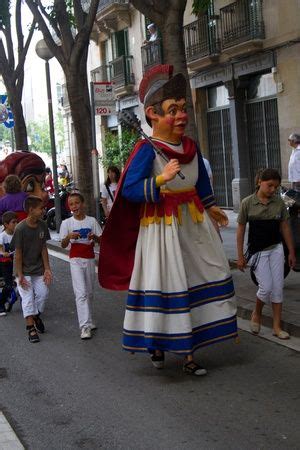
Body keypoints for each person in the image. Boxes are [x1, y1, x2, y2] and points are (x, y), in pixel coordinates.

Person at [99, 64, 238, 376]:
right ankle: (161, 345)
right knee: (166, 283)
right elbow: (131, 190)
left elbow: (200, 181)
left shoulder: (190, 147)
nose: (181, 116)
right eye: (172, 110)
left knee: (200, 278)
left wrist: (211, 206)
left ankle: (190, 347)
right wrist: (161, 179)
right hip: (161, 228)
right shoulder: (145, 151)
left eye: (183, 109)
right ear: (152, 114)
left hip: (194, 225)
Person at [237, 168, 296, 340]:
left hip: (276, 249)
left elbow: (285, 227)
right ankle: (257, 313)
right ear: (259, 182)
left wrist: (291, 252)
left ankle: (277, 327)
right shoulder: (247, 203)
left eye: (275, 187)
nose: (272, 190)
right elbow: (240, 231)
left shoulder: (278, 203)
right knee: (266, 287)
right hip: (257, 251)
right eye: (269, 185)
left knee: (277, 289)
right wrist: (241, 256)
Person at [59, 193, 102, 340]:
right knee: (81, 293)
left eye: (77, 203)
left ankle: (89, 320)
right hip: (75, 260)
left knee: (89, 292)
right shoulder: (67, 223)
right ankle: (84, 326)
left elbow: (100, 240)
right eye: (71, 204)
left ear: (82, 204)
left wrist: (94, 237)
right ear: (69, 207)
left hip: (89, 259)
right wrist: (68, 237)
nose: (75, 206)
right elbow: (63, 244)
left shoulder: (92, 221)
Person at [11, 196, 52, 343]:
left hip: (38, 269)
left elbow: (43, 248)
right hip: (22, 270)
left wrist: (47, 269)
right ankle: (31, 329)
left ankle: (35, 316)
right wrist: (20, 275)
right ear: (31, 210)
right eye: (40, 208)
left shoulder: (42, 225)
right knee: (28, 298)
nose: (43, 210)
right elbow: (18, 254)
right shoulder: (20, 228)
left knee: (43, 294)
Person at [0, 211, 18, 315]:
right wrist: (3, 253)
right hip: (5, 263)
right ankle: (1, 303)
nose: (16, 224)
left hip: (17, 261)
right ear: (6, 224)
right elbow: (1, 249)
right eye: (13, 222)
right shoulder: (2, 236)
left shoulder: (18, 234)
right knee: (8, 285)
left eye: (17, 222)